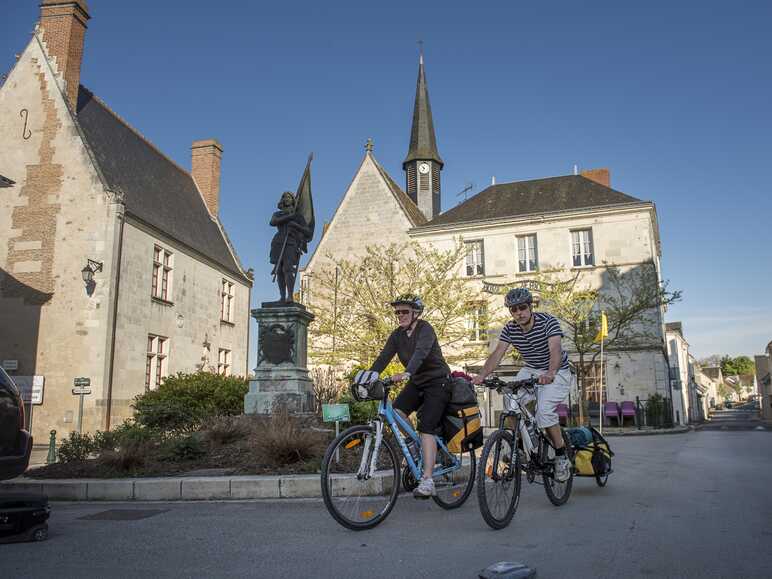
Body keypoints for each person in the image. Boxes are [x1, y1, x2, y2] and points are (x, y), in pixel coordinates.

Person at [472, 287, 572, 482]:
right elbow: (498, 354)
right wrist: (482, 374)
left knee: (544, 411)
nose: (518, 313)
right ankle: (521, 449)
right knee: (510, 406)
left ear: (530, 307)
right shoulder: (510, 328)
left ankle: (561, 455)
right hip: (531, 369)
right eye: (513, 309)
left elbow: (555, 350)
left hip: (557, 370)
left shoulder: (547, 322)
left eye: (522, 307)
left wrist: (551, 372)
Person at [369, 293, 451, 498]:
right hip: (417, 382)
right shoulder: (397, 335)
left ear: (415, 312)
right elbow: (384, 357)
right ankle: (416, 446)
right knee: (396, 412)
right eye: (397, 312)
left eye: (404, 311)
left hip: (437, 381)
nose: (400, 315)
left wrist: (407, 372)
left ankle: (428, 480)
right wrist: (367, 375)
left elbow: (421, 352)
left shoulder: (425, 329)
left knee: (426, 427)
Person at [269, 191, 311, 302]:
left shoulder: (297, 216)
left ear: (293, 200)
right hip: (278, 241)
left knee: (287, 269)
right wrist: (288, 217)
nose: (287, 199)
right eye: (285, 197)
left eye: (289, 197)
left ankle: (290, 296)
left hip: (291, 242)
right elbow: (273, 222)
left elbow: (307, 231)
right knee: (279, 270)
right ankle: (282, 297)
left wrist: (296, 224)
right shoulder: (278, 214)